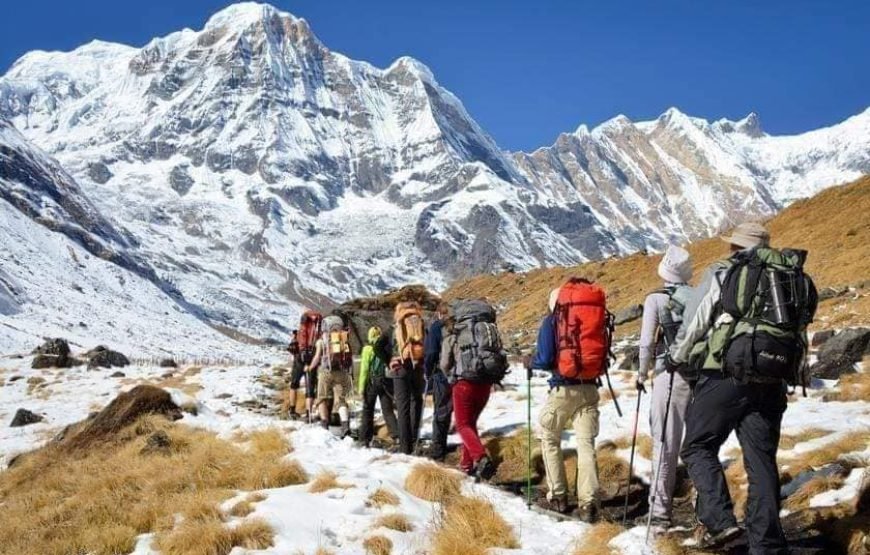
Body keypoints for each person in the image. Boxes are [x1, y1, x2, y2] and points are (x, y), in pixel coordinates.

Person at [669, 222, 809, 553]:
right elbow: (799, 328)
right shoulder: (788, 276)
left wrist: (677, 357)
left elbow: (697, 319)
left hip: (725, 374)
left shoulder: (725, 270)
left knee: (697, 446)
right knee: (761, 460)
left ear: (735, 247)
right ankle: (768, 545)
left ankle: (721, 523)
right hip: (773, 378)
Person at [636, 245, 695, 536]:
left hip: (668, 376)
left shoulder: (657, 299)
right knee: (698, 445)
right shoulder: (699, 296)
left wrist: (641, 372)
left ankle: (659, 514)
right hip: (701, 378)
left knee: (665, 443)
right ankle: (704, 507)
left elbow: (647, 342)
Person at [531, 287, 601, 522]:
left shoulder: (552, 321)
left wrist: (529, 362)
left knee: (549, 438)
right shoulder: (590, 316)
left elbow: (544, 358)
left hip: (563, 389)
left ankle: (558, 497)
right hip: (590, 388)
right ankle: (588, 504)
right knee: (586, 445)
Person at [439, 299, 506, 480]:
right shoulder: (484, 330)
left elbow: (445, 363)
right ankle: (466, 465)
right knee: (471, 423)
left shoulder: (453, 335)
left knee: (462, 425)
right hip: (484, 384)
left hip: (464, 384)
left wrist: (450, 377)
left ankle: (481, 457)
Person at [390, 302, 427, 455]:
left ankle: (405, 448)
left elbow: (379, 346)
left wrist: (389, 360)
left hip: (400, 369)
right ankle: (414, 439)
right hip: (417, 367)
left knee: (402, 407)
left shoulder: (396, 327)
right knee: (416, 401)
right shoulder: (421, 324)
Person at [311, 315, 354, 436]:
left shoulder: (322, 341)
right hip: (342, 372)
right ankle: (345, 425)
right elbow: (349, 357)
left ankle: (324, 424)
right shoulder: (343, 339)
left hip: (326, 372)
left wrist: (310, 367)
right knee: (340, 400)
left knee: (322, 398)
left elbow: (317, 357)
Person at [357, 326, 399, 447]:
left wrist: (361, 388)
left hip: (373, 381)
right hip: (387, 381)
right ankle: (396, 436)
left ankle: (364, 439)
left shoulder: (367, 349)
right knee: (387, 410)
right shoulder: (387, 347)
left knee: (368, 409)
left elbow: (364, 370)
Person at [425, 303, 452, 460]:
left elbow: (431, 352)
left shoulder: (436, 327)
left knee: (440, 410)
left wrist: (428, 372)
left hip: (440, 374)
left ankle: (438, 447)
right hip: (460, 374)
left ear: (439, 314)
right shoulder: (459, 326)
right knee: (451, 409)